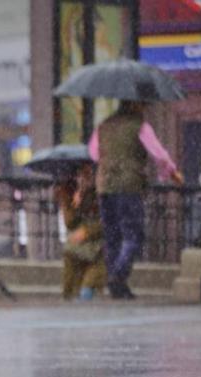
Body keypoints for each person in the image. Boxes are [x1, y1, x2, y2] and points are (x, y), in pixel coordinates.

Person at [89, 100, 183, 299]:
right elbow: (159, 154)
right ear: (135, 106)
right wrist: (171, 173)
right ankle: (117, 275)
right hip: (128, 186)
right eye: (142, 105)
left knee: (112, 237)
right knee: (133, 236)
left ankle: (118, 286)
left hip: (105, 186)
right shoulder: (140, 127)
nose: (144, 108)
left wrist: (112, 160)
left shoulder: (103, 126)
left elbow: (94, 154)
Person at [56, 164, 106, 301]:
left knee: (95, 263)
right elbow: (69, 223)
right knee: (70, 253)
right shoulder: (68, 192)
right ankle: (70, 295)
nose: (84, 178)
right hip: (78, 243)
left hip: (97, 242)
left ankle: (86, 291)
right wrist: (73, 204)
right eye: (81, 175)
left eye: (87, 174)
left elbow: (109, 222)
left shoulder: (102, 193)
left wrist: (87, 231)